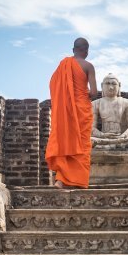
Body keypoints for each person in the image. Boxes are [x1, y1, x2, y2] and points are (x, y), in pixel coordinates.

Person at [45, 38, 100, 188]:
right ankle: (76, 181)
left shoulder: (64, 64)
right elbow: (94, 92)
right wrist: (84, 94)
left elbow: (53, 84)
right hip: (82, 109)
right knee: (80, 146)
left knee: (66, 142)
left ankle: (61, 180)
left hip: (66, 111)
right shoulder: (88, 66)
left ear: (73, 49)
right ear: (86, 51)